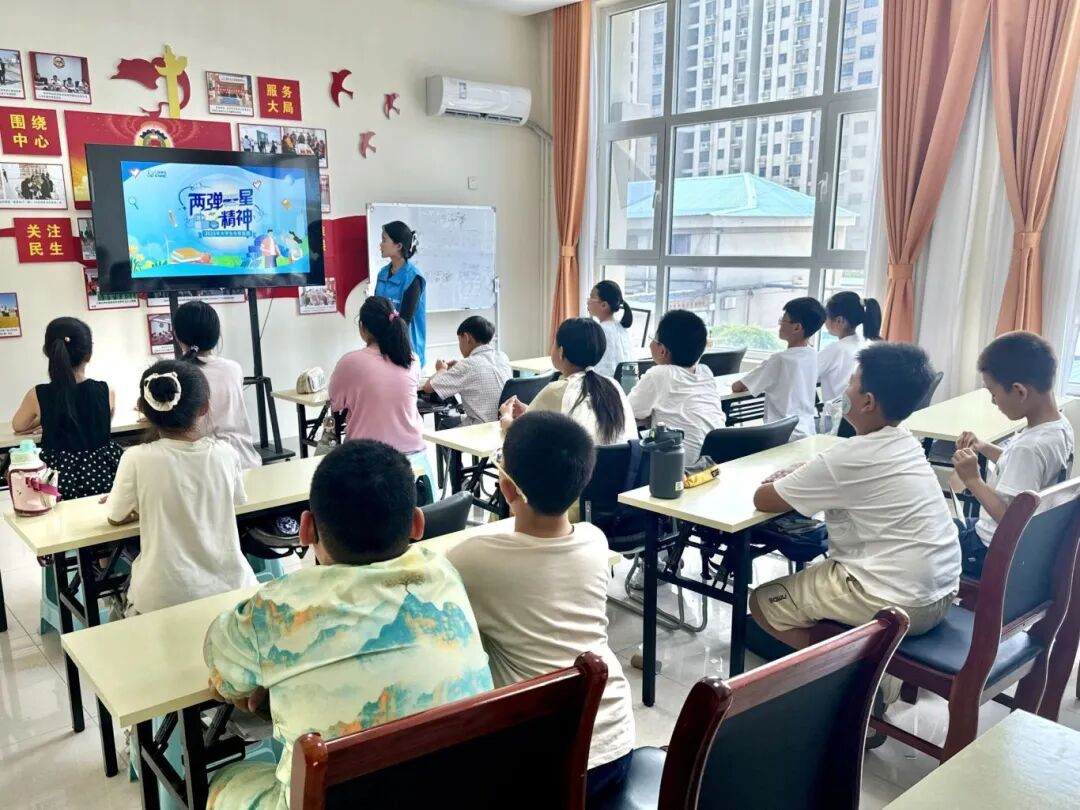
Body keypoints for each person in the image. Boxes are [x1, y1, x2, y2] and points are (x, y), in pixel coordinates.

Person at [204, 440, 493, 810]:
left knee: (226, 780)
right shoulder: (445, 576)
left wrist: (250, 681)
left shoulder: (275, 611)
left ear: (306, 529)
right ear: (418, 523)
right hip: (453, 790)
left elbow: (222, 669)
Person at [448, 412, 634, 805]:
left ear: (506, 487)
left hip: (544, 762)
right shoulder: (594, 541)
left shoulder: (472, 559)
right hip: (617, 740)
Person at [749, 343, 960, 649]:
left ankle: (846, 668)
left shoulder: (847, 457)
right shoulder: (907, 442)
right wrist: (809, 472)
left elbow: (763, 499)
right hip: (942, 591)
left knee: (762, 602)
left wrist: (791, 477)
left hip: (899, 602)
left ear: (868, 402)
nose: (845, 390)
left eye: (851, 383)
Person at [106, 361, 257, 615]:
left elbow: (115, 516)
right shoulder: (226, 454)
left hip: (162, 598)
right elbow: (232, 500)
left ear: (142, 408)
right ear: (205, 407)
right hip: (231, 591)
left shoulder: (136, 458)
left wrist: (143, 507)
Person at [952, 332, 1074, 577]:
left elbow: (1012, 520)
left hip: (990, 551)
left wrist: (973, 480)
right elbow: (1024, 469)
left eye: (993, 393)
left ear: (1019, 391)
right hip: (1020, 547)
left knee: (925, 533)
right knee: (942, 524)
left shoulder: (1028, 448)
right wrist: (984, 447)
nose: (993, 402)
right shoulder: (1058, 427)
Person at [10, 317, 121, 501]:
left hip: (57, 481)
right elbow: (103, 423)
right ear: (88, 355)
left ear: (49, 353)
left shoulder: (38, 394)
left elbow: (19, 425)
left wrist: (43, 419)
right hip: (103, 476)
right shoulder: (106, 389)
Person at [501, 318, 635, 447]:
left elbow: (518, 435)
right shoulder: (613, 385)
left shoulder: (557, 390)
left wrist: (506, 417)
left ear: (561, 351)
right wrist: (529, 410)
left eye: (554, 343)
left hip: (581, 463)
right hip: (623, 463)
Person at [328, 296, 426, 457]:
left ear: (362, 327)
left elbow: (335, 403)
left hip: (367, 457)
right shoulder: (412, 359)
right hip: (415, 453)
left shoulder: (350, 362)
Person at [629, 310, 726, 464]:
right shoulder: (705, 372)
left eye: (653, 339)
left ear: (662, 351)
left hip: (679, 467)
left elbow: (631, 411)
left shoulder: (659, 374)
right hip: (717, 461)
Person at [173, 301, 261, 470]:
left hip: (205, 465)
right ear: (217, 334)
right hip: (245, 460)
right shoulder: (234, 368)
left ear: (177, 336)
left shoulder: (176, 375)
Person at [732, 297, 826, 441]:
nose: (780, 324)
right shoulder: (814, 355)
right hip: (807, 431)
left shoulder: (780, 360)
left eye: (783, 320)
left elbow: (738, 387)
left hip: (781, 435)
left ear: (797, 327)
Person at [423, 315, 512, 425]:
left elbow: (428, 388)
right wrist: (459, 367)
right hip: (505, 424)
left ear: (466, 337)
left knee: (444, 424)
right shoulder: (502, 357)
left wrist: (441, 369)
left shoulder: (468, 365)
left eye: (459, 341)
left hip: (479, 427)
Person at [374, 221, 428, 366]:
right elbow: (375, 309)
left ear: (398, 246)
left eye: (384, 240)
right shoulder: (382, 273)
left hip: (407, 349)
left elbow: (405, 320)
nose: (380, 244)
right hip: (384, 348)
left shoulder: (413, 277)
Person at [818, 291, 882, 402]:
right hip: (856, 408)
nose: (825, 322)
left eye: (827, 317)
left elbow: (806, 374)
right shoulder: (863, 344)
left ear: (839, 321)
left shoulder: (836, 349)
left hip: (839, 410)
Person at [588, 280, 634, 378]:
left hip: (604, 384)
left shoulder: (599, 330)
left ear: (604, 305)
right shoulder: (622, 328)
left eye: (591, 298)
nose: (588, 301)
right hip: (622, 384)